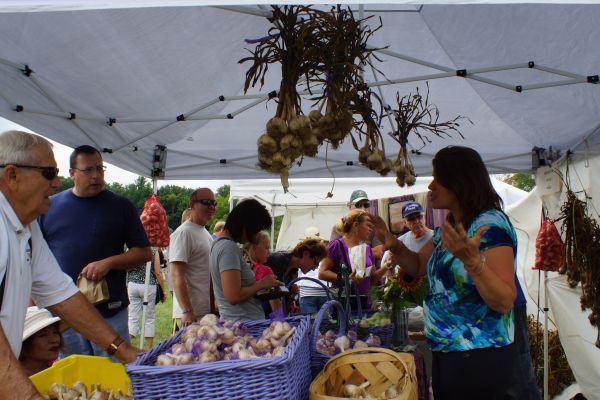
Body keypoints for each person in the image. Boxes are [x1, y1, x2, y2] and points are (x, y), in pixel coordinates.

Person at [370, 145, 518, 399]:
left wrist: (474, 263)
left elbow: (504, 300)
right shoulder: (450, 226)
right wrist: (393, 244)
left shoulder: (489, 225)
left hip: (478, 356)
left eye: (437, 179)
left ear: (459, 182)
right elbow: (418, 265)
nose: (431, 186)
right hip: (449, 351)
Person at [0, 130, 138, 399]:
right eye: (49, 173)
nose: (56, 183)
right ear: (12, 175)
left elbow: (62, 294)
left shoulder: (28, 227)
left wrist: (123, 350)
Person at [38, 144, 152, 358]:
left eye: (100, 169)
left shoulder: (121, 206)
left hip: (110, 311)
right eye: (88, 170)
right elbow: (34, 260)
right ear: (72, 173)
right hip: (66, 314)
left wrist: (108, 263)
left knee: (114, 371)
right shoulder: (48, 207)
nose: (96, 176)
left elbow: (144, 253)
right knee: (74, 372)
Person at [210, 199, 281, 321]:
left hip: (240, 321)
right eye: (255, 230)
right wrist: (262, 284)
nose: (254, 237)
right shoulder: (228, 248)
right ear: (245, 226)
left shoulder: (219, 244)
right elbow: (233, 296)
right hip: (243, 323)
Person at [319, 209, 389, 309]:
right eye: (368, 225)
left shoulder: (367, 249)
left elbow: (371, 280)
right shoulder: (336, 245)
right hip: (343, 305)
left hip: (364, 303)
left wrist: (387, 265)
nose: (371, 230)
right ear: (356, 225)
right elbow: (322, 273)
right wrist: (346, 278)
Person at [169, 188, 216, 327]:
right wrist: (187, 310)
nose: (211, 207)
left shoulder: (204, 232)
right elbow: (176, 275)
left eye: (214, 203)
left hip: (205, 312)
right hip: (192, 315)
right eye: (206, 202)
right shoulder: (184, 233)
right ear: (192, 204)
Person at [380, 201, 433, 276]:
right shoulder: (401, 241)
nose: (416, 221)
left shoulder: (436, 238)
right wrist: (391, 279)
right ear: (405, 222)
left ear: (424, 217)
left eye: (419, 216)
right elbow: (385, 263)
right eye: (411, 219)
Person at [127, 249, 166, 349]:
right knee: (149, 318)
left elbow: (126, 268)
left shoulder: (131, 248)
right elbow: (157, 272)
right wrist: (163, 290)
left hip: (133, 284)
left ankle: (128, 346)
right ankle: (149, 349)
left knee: (132, 317)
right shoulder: (153, 250)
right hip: (149, 285)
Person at [330, 189, 383, 262]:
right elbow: (333, 254)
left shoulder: (373, 227)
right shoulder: (339, 227)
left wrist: (348, 253)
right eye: (358, 205)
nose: (363, 209)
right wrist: (368, 252)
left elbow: (378, 252)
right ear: (349, 206)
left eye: (366, 205)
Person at [244, 231, 281, 317]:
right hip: (261, 319)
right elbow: (276, 306)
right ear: (254, 248)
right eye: (267, 248)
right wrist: (282, 321)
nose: (269, 252)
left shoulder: (240, 268)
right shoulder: (265, 271)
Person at [19, 307, 65, 376]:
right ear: (25, 344)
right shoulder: (13, 376)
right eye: (43, 335)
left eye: (55, 332)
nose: (54, 340)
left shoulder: (60, 369)